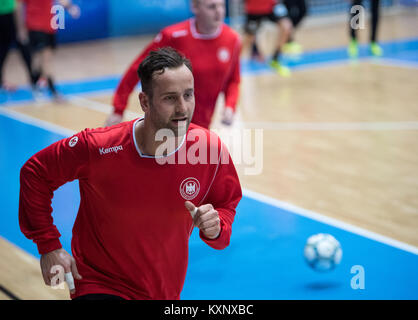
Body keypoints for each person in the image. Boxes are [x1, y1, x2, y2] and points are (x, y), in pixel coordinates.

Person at [19, 47, 242, 300]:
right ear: (145, 102)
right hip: (98, 283)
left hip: (162, 291)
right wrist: (49, 246)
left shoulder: (208, 149)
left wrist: (216, 228)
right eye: (170, 98)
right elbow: (35, 172)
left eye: (188, 95)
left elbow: (226, 206)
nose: (183, 108)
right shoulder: (99, 147)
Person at [105, 0, 241, 129]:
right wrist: (118, 108)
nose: (219, 12)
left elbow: (233, 79)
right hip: (168, 122)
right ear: (195, 7)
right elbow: (138, 68)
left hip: (202, 125)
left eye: (222, 5)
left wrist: (230, 105)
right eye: (211, 7)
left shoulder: (232, 39)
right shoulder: (174, 36)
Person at [18, 0, 80, 101]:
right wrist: (20, 28)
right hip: (35, 27)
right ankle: (53, 91)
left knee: (41, 61)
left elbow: (62, 1)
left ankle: (34, 83)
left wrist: (71, 8)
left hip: (49, 26)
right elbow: (19, 7)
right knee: (46, 60)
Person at [242, 0, 293, 77]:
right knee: (248, 38)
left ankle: (276, 58)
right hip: (255, 7)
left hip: (272, 5)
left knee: (286, 26)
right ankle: (232, 65)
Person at [0, 0, 36, 91]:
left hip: (10, 15)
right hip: (9, 17)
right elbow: (18, 5)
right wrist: (20, 28)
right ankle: (34, 80)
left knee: (22, 48)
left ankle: (34, 79)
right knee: (22, 48)